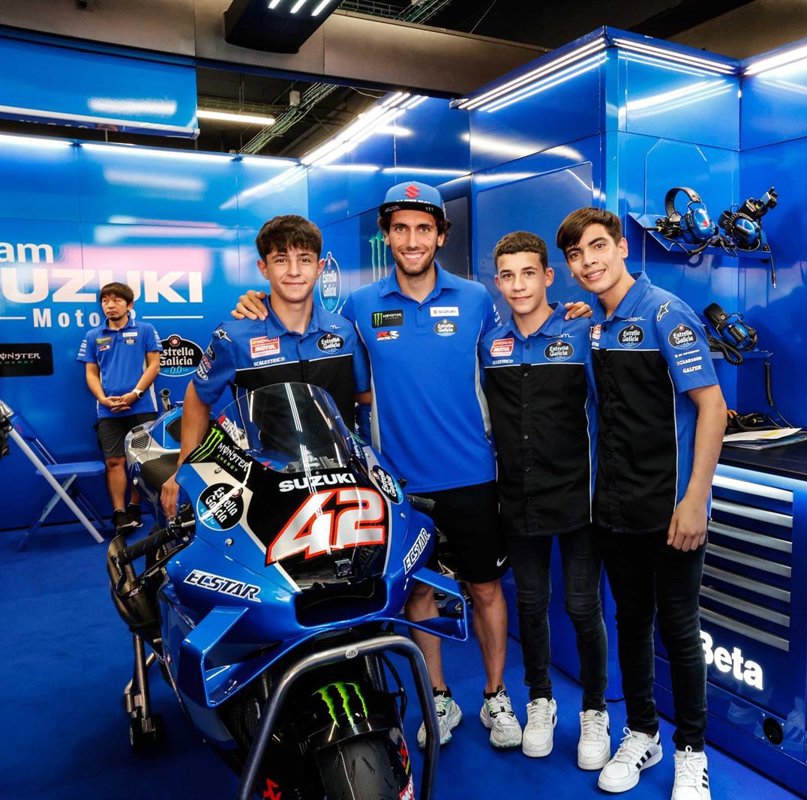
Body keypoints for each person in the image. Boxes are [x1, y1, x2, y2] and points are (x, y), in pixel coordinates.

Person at [233, 183, 584, 750]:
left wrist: (569, 315)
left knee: (485, 589)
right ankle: (439, 698)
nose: (412, 239)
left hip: (473, 475)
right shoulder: (357, 308)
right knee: (419, 593)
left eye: (424, 228)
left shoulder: (476, 299)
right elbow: (344, 375)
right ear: (387, 236)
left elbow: (517, 344)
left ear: (441, 236)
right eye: (400, 228)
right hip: (398, 484)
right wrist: (255, 301)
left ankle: (495, 695)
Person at [556, 208, 727, 800]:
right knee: (631, 624)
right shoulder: (596, 325)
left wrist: (695, 501)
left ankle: (692, 752)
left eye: (598, 247)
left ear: (622, 247)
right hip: (614, 509)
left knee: (679, 630)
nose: (589, 262)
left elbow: (712, 407)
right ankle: (644, 732)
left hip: (672, 511)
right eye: (576, 255)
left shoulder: (665, 314)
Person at [478, 231, 609, 767]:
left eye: (529, 273)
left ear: (548, 276)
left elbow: (608, 410)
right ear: (497, 281)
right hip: (519, 499)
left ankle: (595, 710)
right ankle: (540, 701)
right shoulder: (489, 342)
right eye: (507, 275)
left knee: (582, 607)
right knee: (531, 606)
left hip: (580, 500)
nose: (518, 285)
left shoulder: (582, 331)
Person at [160, 215, 369, 517]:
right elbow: (198, 395)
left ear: (320, 267)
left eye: (305, 259)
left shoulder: (344, 332)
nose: (294, 271)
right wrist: (184, 465)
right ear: (263, 268)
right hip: (269, 486)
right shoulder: (234, 337)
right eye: (281, 260)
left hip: (343, 482)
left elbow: (364, 396)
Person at [77, 282, 163, 534]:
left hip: (142, 406)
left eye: (116, 300)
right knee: (114, 461)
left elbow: (154, 366)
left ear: (129, 304)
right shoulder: (93, 336)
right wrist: (103, 399)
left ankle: (135, 506)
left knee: (140, 461)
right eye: (105, 301)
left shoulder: (145, 330)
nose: (110, 305)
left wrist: (135, 394)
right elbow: (91, 373)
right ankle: (120, 513)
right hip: (108, 410)